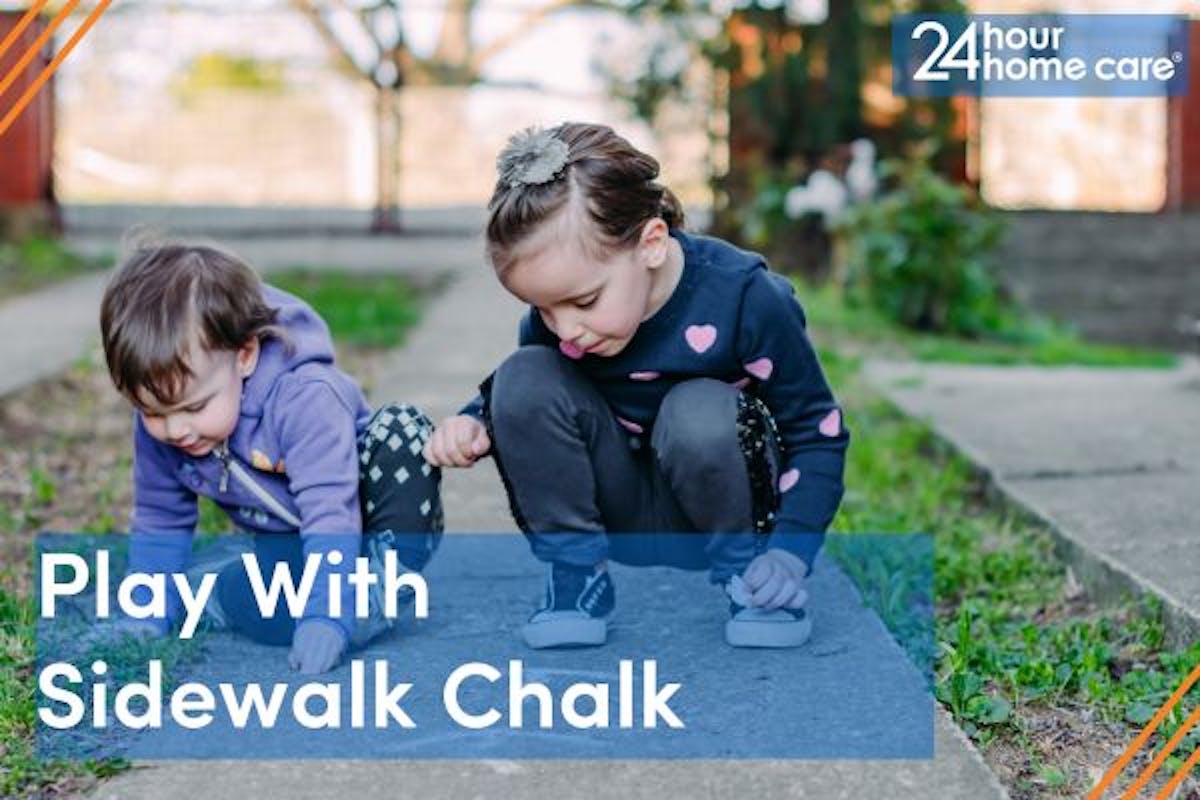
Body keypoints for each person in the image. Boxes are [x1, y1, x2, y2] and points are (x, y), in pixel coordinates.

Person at [424, 122, 848, 649]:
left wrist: (790, 551)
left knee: (696, 407)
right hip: (616, 503)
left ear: (650, 244)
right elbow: (529, 393)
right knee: (523, 373)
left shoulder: (745, 299)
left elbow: (817, 431)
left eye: (582, 302)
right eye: (543, 309)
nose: (565, 329)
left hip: (718, 507)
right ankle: (577, 576)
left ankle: (753, 581)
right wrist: (474, 419)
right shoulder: (562, 325)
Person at [99, 239, 442, 673]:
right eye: (152, 411)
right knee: (257, 605)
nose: (175, 429)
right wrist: (144, 614)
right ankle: (213, 593)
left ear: (244, 355)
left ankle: (374, 592)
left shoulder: (303, 399)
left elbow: (329, 514)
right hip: (292, 546)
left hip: (365, 522)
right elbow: (160, 518)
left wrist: (326, 616)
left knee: (403, 431)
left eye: (195, 407)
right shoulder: (168, 426)